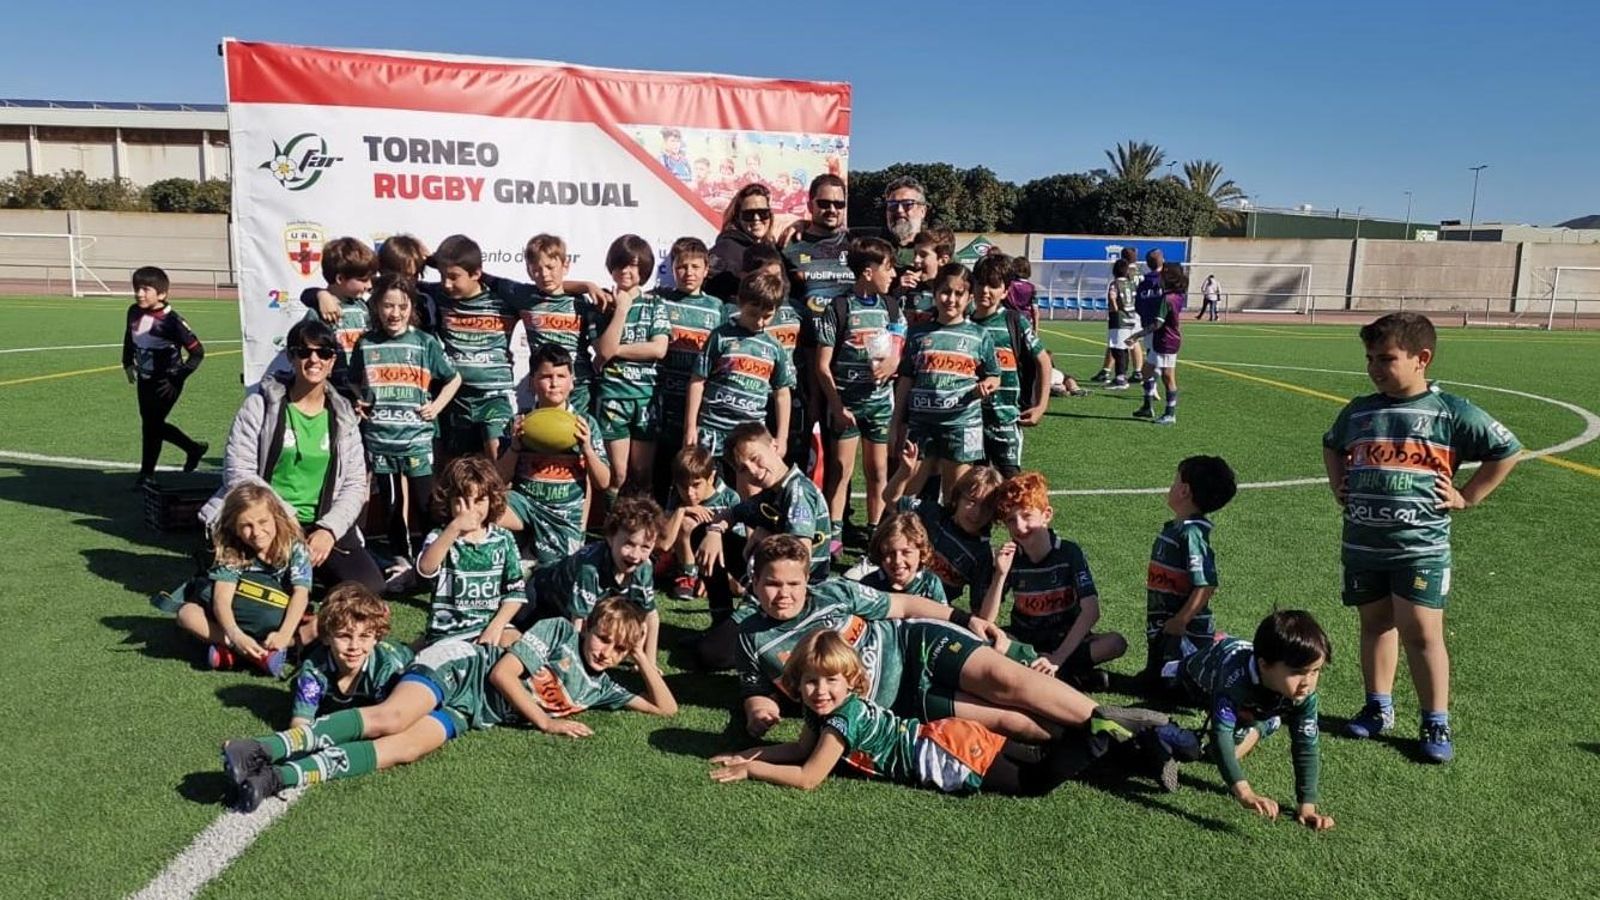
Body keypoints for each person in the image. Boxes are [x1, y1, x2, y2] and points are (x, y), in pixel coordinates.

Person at [221, 598, 676, 812]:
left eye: (618, 649)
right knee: (393, 717)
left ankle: (276, 777)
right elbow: (502, 674)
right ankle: (261, 747)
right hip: (461, 667)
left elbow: (666, 709)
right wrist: (546, 722)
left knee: (404, 749)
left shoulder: (601, 687)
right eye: (603, 638)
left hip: (471, 712)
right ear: (587, 626)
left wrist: (640, 656)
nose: (606, 652)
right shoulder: (558, 631)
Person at [736, 535, 1157, 748]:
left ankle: (1136, 727)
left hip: (918, 646)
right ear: (754, 583)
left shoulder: (833, 592)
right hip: (902, 702)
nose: (784, 593)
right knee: (1012, 723)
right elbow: (756, 692)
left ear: (806, 579)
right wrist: (760, 713)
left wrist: (965, 618)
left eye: (792, 583)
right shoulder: (752, 636)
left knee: (1011, 684)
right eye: (772, 584)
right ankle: (1130, 746)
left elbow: (904, 605)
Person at [1322, 312, 1520, 763]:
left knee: (1423, 633)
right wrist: (1339, 484)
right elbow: (1332, 444)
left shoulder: (1449, 411)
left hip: (1419, 548)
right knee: (1375, 624)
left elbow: (1506, 449)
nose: (1374, 368)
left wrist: (1467, 495)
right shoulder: (1359, 411)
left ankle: (1435, 719)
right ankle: (1378, 707)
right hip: (1363, 544)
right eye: (1370, 358)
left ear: (1421, 358)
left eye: (1386, 358)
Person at [710, 631, 1161, 795]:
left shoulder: (843, 720)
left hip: (945, 753)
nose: (819, 691)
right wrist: (750, 754)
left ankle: (1101, 734)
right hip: (946, 736)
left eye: (830, 682)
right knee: (1037, 756)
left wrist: (753, 772)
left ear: (851, 681)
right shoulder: (823, 713)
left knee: (1034, 783)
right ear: (797, 684)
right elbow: (798, 748)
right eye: (810, 682)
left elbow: (810, 775)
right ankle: (1136, 748)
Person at [200, 318, 382, 593]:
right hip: (267, 519)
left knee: (369, 587)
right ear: (290, 357)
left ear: (332, 361)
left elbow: (355, 484)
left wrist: (329, 530)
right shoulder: (259, 405)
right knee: (258, 594)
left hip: (320, 523)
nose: (314, 360)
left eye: (323, 353)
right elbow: (239, 474)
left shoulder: (344, 415)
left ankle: (305, 574)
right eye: (304, 352)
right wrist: (285, 516)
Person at [1175, 611, 1336, 830]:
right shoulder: (1235, 679)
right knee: (1217, 749)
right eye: (1298, 672)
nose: (1307, 682)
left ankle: (1262, 721)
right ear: (1264, 665)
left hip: (1256, 696)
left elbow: (1306, 744)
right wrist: (1245, 793)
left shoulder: (1303, 695)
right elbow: (1220, 735)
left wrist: (1307, 806)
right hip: (1191, 682)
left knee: (1230, 745)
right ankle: (1262, 720)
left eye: (1315, 671)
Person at [348, 274, 461, 578]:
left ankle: (430, 559)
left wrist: (436, 406)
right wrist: (362, 399)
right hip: (381, 440)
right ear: (376, 306)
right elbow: (353, 379)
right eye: (387, 305)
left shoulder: (424, 342)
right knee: (391, 503)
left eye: (402, 306)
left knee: (426, 503)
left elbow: (453, 378)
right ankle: (401, 558)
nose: (394, 313)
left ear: (411, 307)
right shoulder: (366, 343)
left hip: (417, 440)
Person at [980, 472, 1126, 690]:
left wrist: (1058, 657)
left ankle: (1046, 671)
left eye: (1027, 516)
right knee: (986, 640)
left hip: (1065, 640)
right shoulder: (1011, 557)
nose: (1019, 526)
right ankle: (1072, 677)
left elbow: (1091, 611)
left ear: (1046, 515)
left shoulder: (1069, 553)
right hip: (1025, 641)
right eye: (1011, 520)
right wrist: (1000, 574)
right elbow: (985, 620)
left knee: (1115, 643)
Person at [816, 237, 902, 553]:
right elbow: (822, 366)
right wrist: (837, 406)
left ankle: (875, 535)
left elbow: (899, 346)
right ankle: (833, 536)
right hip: (847, 406)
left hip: (879, 406)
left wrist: (893, 361)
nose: (893, 275)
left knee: (878, 471)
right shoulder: (839, 308)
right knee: (841, 471)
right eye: (888, 268)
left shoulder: (891, 307)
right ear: (868, 271)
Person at [887, 263, 1000, 504]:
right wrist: (895, 424)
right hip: (922, 424)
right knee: (906, 495)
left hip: (962, 424)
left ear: (969, 297)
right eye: (945, 292)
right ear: (935, 293)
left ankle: (946, 529)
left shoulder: (979, 335)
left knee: (955, 498)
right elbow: (905, 381)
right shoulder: (917, 334)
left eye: (959, 293)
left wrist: (987, 385)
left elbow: (994, 375)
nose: (951, 299)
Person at [177, 483, 313, 677]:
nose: (256, 532)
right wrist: (235, 636)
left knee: (321, 625)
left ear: (277, 517)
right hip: (238, 617)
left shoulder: (295, 547)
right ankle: (255, 654)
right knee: (187, 614)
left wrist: (284, 635)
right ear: (234, 528)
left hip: (278, 619)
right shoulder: (232, 549)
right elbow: (222, 599)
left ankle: (238, 654)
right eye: (246, 526)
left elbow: (301, 593)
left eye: (263, 522)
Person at [497, 344, 611, 568]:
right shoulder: (518, 422)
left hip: (564, 515)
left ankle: (533, 560)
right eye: (546, 376)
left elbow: (603, 482)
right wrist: (515, 447)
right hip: (525, 506)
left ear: (572, 381)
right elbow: (499, 480)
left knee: (554, 573)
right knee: (482, 509)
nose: (554, 383)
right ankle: (504, 557)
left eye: (561, 376)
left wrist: (587, 449)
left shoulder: (585, 424)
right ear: (532, 382)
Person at [517, 496, 665, 660]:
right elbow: (578, 623)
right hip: (540, 598)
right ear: (610, 537)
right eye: (629, 544)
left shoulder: (644, 568)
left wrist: (650, 662)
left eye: (645, 547)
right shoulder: (590, 568)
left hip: (574, 603)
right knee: (530, 644)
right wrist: (574, 663)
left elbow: (651, 616)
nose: (635, 555)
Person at [695, 423, 832, 585]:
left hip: (799, 586)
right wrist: (714, 532)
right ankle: (734, 596)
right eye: (743, 469)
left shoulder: (798, 491)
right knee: (701, 533)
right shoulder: (772, 492)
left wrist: (766, 539)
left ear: (774, 446)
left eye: (755, 458)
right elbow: (731, 513)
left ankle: (752, 594)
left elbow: (800, 553)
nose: (753, 470)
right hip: (775, 574)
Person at [1142, 456, 1237, 687]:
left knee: (1174, 685)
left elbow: (1206, 584)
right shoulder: (1175, 529)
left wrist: (1181, 620)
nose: (1171, 486)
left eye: (1174, 481)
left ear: (1184, 491)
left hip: (1185, 632)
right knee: (1153, 680)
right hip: (1164, 625)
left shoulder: (1192, 534)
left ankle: (1215, 652)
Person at [427, 235, 521, 460]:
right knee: (454, 467)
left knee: (497, 459)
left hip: (494, 396)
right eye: (442, 276)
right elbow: (398, 279)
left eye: (454, 277)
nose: (446, 284)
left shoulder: (504, 300)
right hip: (455, 397)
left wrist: (588, 286)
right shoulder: (438, 296)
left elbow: (544, 292)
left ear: (476, 273)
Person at [685, 272, 795, 460]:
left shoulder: (774, 348)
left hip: (751, 436)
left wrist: (782, 438)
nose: (759, 321)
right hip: (713, 431)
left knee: (749, 478)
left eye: (767, 316)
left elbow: (782, 394)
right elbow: (697, 381)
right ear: (740, 302)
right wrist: (690, 427)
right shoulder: (720, 337)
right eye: (753, 314)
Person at [417, 455, 526, 645]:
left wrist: (496, 626)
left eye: (479, 501)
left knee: (521, 646)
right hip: (449, 631)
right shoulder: (439, 537)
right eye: (461, 502)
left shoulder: (503, 539)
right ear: (448, 501)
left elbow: (515, 593)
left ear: (492, 500)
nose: (470, 510)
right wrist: (455, 527)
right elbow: (425, 569)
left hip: (490, 625)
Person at [593, 234, 669, 496]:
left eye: (634, 265)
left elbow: (658, 348)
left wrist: (615, 351)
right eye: (620, 264)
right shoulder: (601, 305)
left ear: (644, 268)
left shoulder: (655, 303)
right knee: (618, 475)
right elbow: (602, 349)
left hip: (647, 398)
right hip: (613, 398)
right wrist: (621, 310)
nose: (626, 271)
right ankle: (613, 522)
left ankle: (642, 522)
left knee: (642, 474)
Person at [652, 237, 726, 504]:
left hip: (699, 405)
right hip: (663, 401)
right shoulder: (659, 300)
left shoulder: (717, 307)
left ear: (706, 270)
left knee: (694, 475)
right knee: (661, 470)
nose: (688, 273)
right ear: (673, 269)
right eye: (682, 267)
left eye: (695, 267)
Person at [123, 265, 206, 487]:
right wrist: (127, 362)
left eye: (145, 289)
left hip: (166, 383)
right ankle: (193, 448)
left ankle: (147, 475)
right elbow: (129, 337)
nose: (139, 294)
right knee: (151, 424)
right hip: (145, 379)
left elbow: (198, 353)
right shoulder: (133, 311)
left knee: (152, 425)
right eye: (137, 288)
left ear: (161, 294)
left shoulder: (172, 321)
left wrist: (177, 377)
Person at [969, 253, 1051, 477]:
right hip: (969, 419)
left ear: (1005, 291)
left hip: (1005, 419)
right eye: (981, 283)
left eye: (994, 285)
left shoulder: (1014, 321)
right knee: (973, 485)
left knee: (1010, 483)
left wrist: (1041, 406)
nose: (985, 290)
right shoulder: (963, 322)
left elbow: (1044, 361)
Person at [288, 582, 414, 727]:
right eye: (344, 636)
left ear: (376, 638)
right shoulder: (315, 668)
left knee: (417, 652)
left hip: (404, 656)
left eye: (364, 636)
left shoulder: (386, 670)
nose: (354, 646)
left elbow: (392, 722)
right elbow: (300, 723)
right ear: (326, 637)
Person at [886, 463, 1003, 609]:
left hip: (929, 611)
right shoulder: (933, 514)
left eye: (987, 507)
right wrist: (905, 471)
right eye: (971, 501)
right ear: (958, 497)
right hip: (891, 591)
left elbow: (979, 609)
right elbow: (890, 500)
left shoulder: (981, 555)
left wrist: (1000, 575)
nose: (977, 513)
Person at [658, 446, 741, 602]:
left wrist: (712, 574)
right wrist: (682, 510)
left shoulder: (730, 498)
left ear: (711, 478)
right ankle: (687, 574)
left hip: (718, 555)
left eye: (696, 485)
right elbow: (663, 544)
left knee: (739, 588)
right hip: (688, 552)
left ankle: (708, 576)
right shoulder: (677, 497)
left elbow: (736, 543)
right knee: (686, 523)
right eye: (683, 487)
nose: (690, 493)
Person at [300, 237, 377, 403]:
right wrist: (321, 295)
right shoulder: (318, 312)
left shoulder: (364, 307)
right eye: (364, 280)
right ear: (340, 279)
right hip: (332, 394)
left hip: (361, 392)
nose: (369, 285)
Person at [1126, 261, 1187, 425]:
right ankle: (1147, 406)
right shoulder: (1176, 295)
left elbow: (1157, 324)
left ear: (1169, 277)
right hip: (1161, 339)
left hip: (1166, 341)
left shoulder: (1167, 298)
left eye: (1164, 274)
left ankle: (1170, 413)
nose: (1160, 277)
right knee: (1146, 372)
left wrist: (1137, 335)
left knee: (1168, 377)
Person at [707, 183, 777, 301]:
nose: (756, 219)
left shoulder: (774, 249)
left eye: (763, 213)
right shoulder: (725, 249)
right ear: (738, 218)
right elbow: (712, 293)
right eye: (748, 214)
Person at [858, 512, 947, 603]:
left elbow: (943, 611)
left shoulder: (930, 583)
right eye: (890, 553)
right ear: (880, 553)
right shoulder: (869, 586)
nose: (897, 560)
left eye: (906, 552)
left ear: (921, 552)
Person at [1092, 257, 1138, 389]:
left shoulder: (1115, 284)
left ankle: (1120, 379)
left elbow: (1112, 298)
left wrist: (1115, 310)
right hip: (1131, 318)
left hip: (1119, 320)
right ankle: (1122, 377)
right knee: (1124, 348)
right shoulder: (1131, 283)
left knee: (1117, 349)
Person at [897, 227, 955, 325]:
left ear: (942, 260)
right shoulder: (909, 287)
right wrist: (899, 292)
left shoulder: (954, 295)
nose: (916, 260)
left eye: (923, 255)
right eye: (915, 254)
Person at [1004, 256, 1039, 329]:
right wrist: (1035, 329)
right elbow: (1035, 310)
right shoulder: (1031, 287)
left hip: (1008, 320)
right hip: (1025, 321)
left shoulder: (1008, 285)